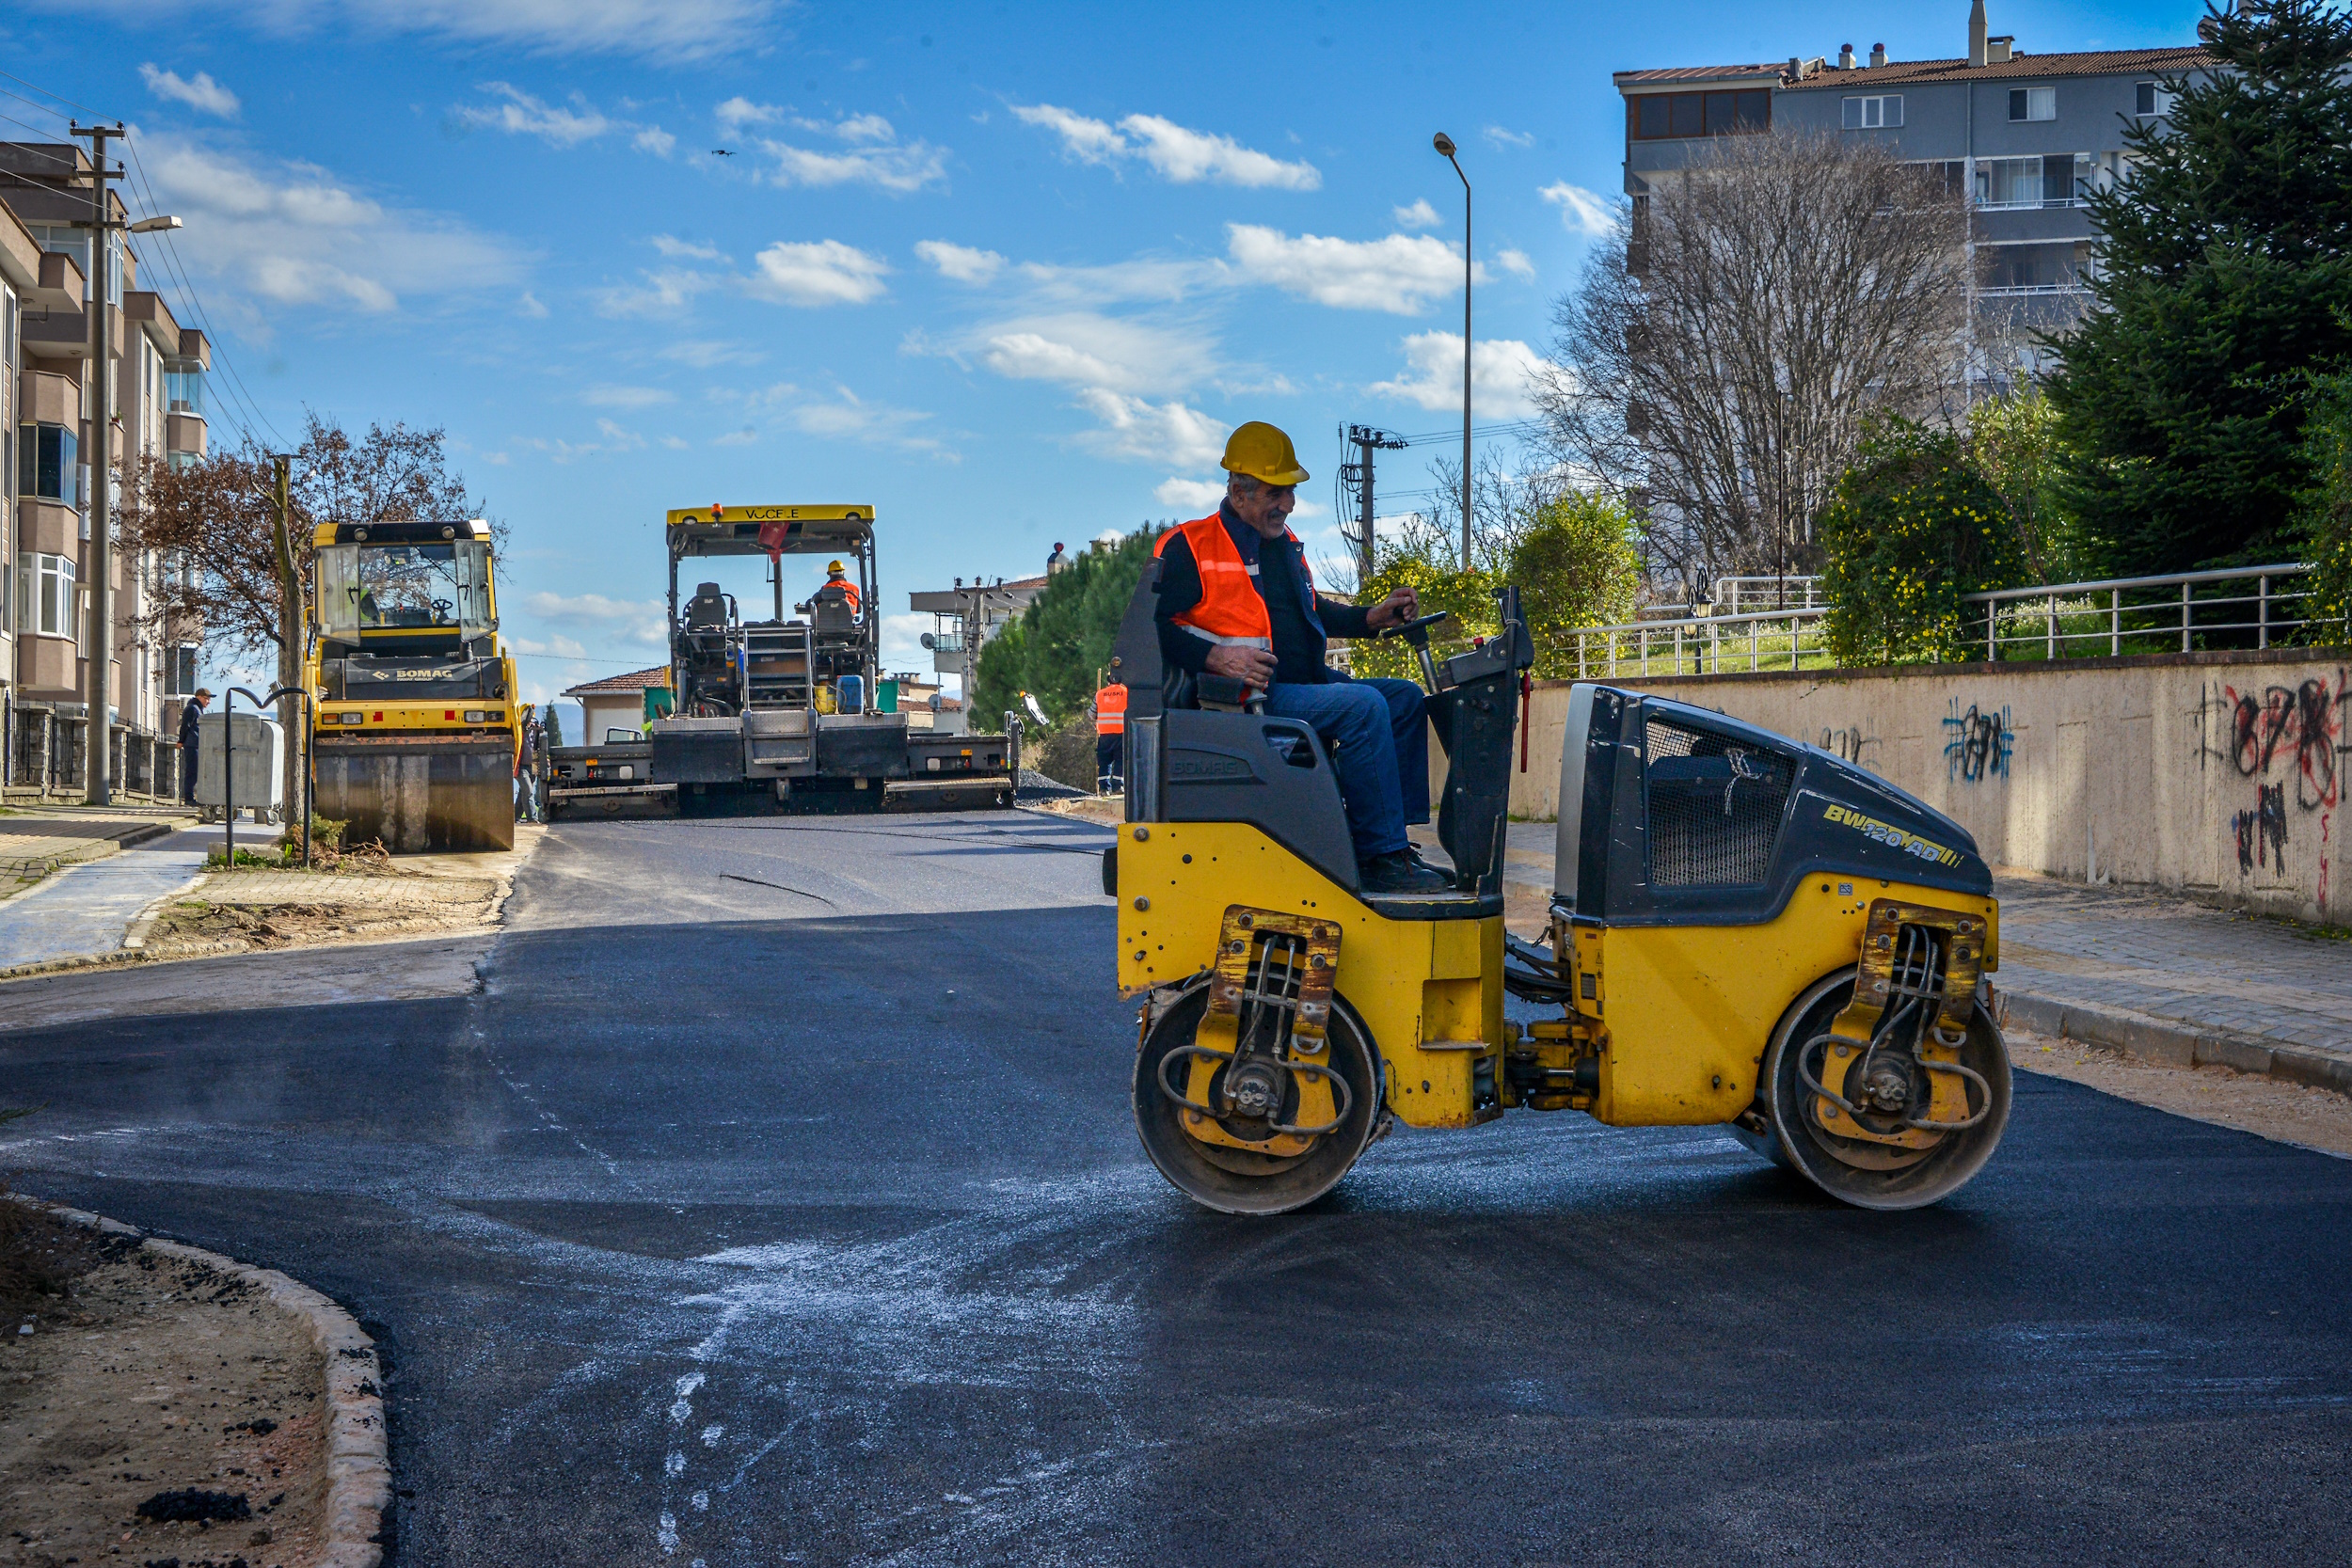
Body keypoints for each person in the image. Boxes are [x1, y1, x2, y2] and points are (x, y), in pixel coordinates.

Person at [1153, 421, 1450, 895]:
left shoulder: (1285, 546)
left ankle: (1388, 841)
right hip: (1242, 699)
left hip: (1301, 683)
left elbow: (1310, 611)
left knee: (1403, 698)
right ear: (1238, 491)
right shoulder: (1190, 546)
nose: (1288, 504)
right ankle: (1382, 855)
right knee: (1363, 707)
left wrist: (1371, 617)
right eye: (1277, 492)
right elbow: (1150, 629)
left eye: (1289, 491)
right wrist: (1215, 659)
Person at [177, 689, 213, 805]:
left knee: (196, 771)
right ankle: (189, 798)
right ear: (199, 697)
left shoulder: (198, 709)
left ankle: (192, 797)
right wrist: (181, 741)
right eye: (206, 698)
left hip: (196, 744)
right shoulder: (192, 709)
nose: (209, 701)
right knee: (192, 771)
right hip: (192, 745)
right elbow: (185, 726)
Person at [1092, 679, 1126, 792]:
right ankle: (1117, 786)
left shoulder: (1100, 694)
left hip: (1105, 733)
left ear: (1108, 681)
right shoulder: (1127, 692)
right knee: (1120, 759)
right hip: (1121, 732)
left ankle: (1104, 788)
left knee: (1104, 761)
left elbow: (1092, 714)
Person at [516, 707, 546, 824]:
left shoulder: (535, 732)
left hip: (532, 766)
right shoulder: (520, 732)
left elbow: (540, 746)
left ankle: (515, 817)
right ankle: (532, 818)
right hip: (521, 767)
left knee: (523, 793)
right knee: (528, 791)